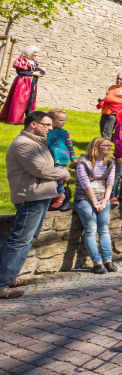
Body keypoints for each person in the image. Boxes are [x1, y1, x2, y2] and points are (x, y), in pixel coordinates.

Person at [0, 111, 70, 299]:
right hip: (31, 197)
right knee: (20, 239)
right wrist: (63, 174)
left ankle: (10, 276)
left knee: (28, 238)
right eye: (46, 125)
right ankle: (1, 284)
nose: (50, 128)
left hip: (41, 195)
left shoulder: (37, 142)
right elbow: (40, 169)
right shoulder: (23, 144)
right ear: (33, 124)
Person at [73, 138, 118, 274]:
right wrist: (94, 202)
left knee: (104, 228)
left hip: (103, 198)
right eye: (105, 145)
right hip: (84, 198)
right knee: (91, 228)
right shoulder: (83, 162)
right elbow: (85, 184)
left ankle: (108, 261)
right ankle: (97, 263)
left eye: (110, 145)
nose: (109, 147)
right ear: (96, 147)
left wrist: (105, 200)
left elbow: (110, 183)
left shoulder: (110, 162)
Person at [0, 46, 45, 124]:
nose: (36, 55)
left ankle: (29, 119)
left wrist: (41, 71)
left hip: (32, 83)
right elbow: (20, 72)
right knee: (20, 100)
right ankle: (16, 119)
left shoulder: (33, 61)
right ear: (29, 52)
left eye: (36, 53)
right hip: (22, 82)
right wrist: (33, 73)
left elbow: (36, 69)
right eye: (34, 52)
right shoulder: (21, 60)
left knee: (30, 101)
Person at [46, 110, 76, 210]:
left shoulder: (64, 132)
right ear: (51, 119)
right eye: (60, 120)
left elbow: (70, 145)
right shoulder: (46, 131)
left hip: (62, 158)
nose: (63, 122)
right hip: (50, 158)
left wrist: (73, 158)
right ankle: (53, 195)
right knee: (51, 177)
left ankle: (60, 194)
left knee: (58, 177)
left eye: (64, 120)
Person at [97, 73, 122, 139]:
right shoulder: (112, 87)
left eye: (121, 79)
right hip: (105, 111)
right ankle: (118, 140)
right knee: (103, 129)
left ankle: (105, 146)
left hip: (115, 113)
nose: (119, 80)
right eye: (118, 78)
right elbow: (108, 97)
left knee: (106, 131)